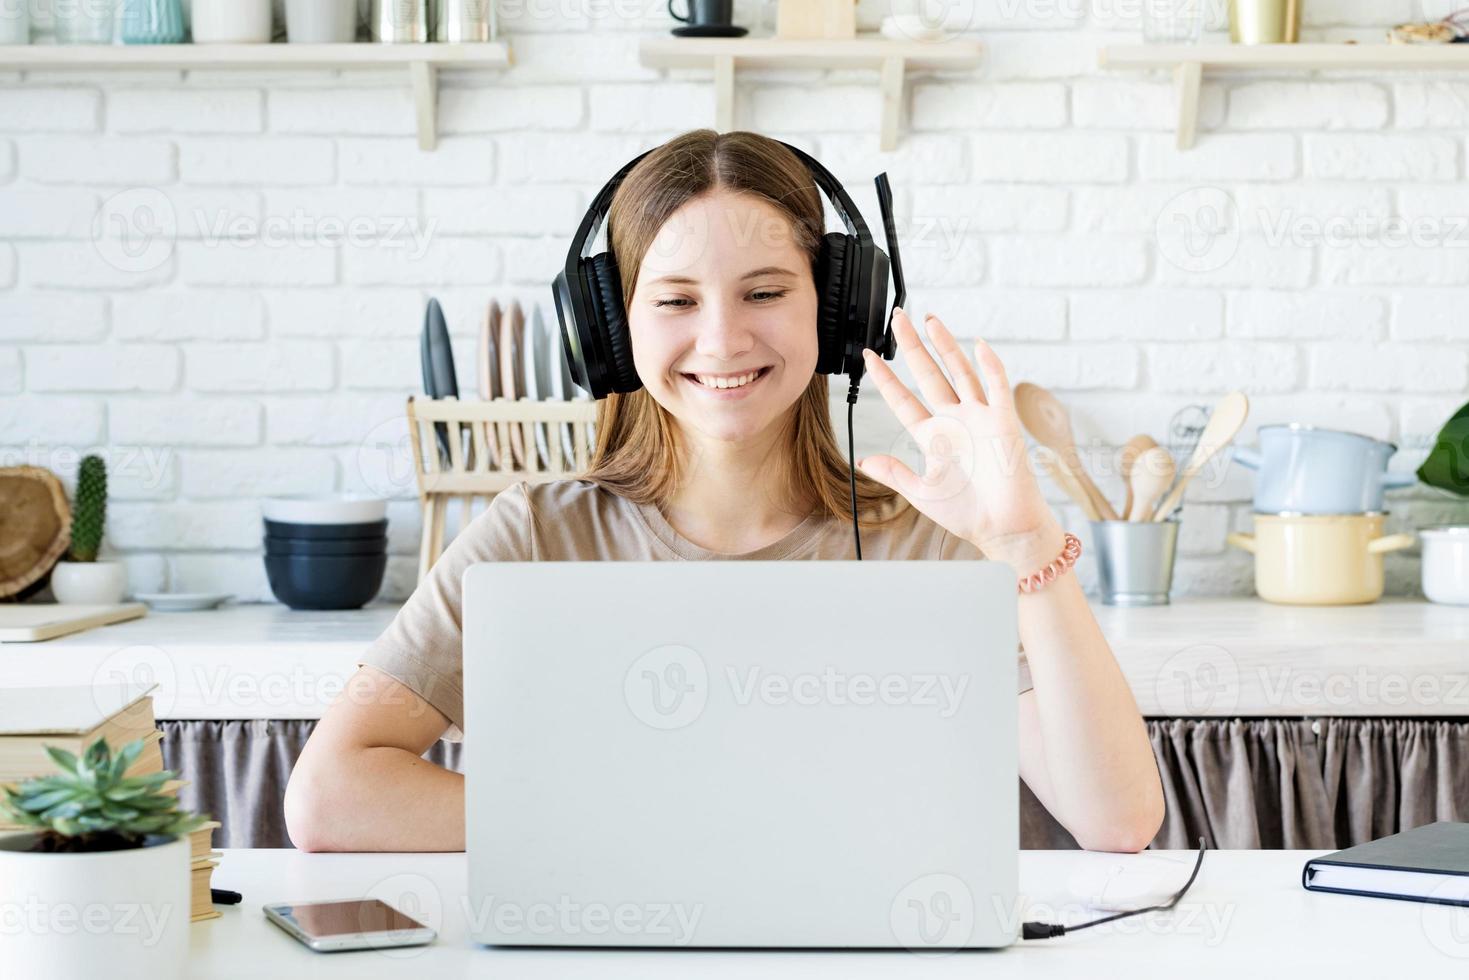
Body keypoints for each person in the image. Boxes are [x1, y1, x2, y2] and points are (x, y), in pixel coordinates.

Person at [284, 129, 1164, 853]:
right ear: (611, 331)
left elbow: (1118, 820)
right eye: (674, 300)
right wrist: (645, 830)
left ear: (834, 312)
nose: (722, 338)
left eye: (765, 291)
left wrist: (1024, 544)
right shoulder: (534, 536)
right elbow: (330, 798)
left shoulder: (929, 538)